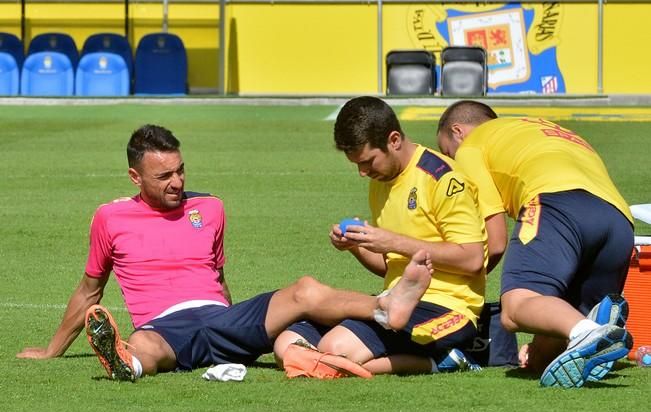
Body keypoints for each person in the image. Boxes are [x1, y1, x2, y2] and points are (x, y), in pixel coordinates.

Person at [16, 124, 435, 381]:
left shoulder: (210, 207)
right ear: (134, 176)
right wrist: (52, 349)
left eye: (180, 170)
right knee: (144, 344)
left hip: (223, 319)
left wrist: (239, 323)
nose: (176, 182)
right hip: (164, 328)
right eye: (163, 176)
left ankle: (386, 308)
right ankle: (128, 363)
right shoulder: (110, 218)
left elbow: (217, 276)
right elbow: (90, 290)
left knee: (305, 289)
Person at [274, 96, 488, 375]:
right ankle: (376, 358)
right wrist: (357, 246)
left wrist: (392, 241)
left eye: (368, 161)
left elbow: (472, 259)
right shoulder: (381, 181)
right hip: (392, 301)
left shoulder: (443, 178)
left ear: (394, 140)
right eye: (357, 165)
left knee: (333, 348)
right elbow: (390, 266)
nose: (363, 173)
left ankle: (441, 361)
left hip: (447, 307)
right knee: (287, 345)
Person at [436, 100, 634, 388]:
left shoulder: (471, 147)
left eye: (447, 152)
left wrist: (461, 284)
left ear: (458, 132)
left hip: (556, 203)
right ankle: (592, 326)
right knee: (542, 357)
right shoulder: (543, 128)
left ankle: (589, 329)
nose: (452, 161)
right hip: (617, 220)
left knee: (516, 308)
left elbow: (496, 241)